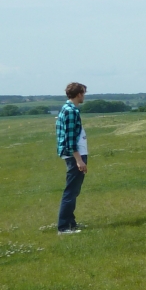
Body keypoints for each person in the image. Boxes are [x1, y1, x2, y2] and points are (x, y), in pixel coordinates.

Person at [54, 82, 89, 235]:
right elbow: (70, 139)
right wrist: (79, 160)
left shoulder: (67, 108)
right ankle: (64, 227)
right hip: (74, 155)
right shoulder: (71, 111)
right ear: (79, 94)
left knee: (73, 191)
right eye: (83, 93)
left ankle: (71, 223)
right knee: (71, 191)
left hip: (74, 154)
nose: (84, 96)